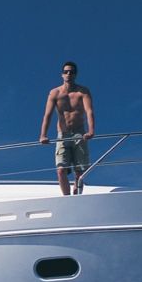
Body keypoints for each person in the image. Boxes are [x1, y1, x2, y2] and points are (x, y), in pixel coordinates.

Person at [39, 61, 95, 195]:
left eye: (71, 72)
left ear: (75, 74)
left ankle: (76, 195)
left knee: (80, 171)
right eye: (66, 71)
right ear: (62, 74)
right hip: (62, 134)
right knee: (61, 170)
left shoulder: (83, 92)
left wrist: (91, 130)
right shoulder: (55, 93)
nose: (68, 74)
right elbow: (48, 114)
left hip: (79, 133)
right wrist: (43, 135)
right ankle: (66, 198)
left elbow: (89, 111)